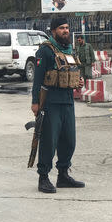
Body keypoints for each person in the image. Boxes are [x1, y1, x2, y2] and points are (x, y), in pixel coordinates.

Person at [31, 17, 85, 193]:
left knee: (69, 140)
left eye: (67, 28)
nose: (66, 31)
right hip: (50, 103)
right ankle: (43, 178)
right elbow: (37, 79)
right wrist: (35, 102)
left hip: (68, 102)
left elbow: (72, 72)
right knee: (49, 141)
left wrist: (78, 82)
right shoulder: (45, 51)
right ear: (53, 31)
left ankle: (63, 175)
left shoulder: (69, 50)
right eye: (62, 28)